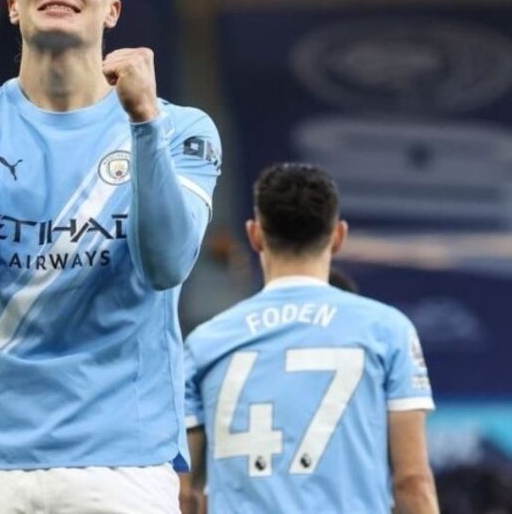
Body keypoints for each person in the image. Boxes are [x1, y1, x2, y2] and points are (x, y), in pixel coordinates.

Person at [0, 0, 221, 513]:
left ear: (112, 10)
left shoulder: (179, 129)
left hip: (124, 461)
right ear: (13, 6)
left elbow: (166, 265)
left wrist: (144, 123)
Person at [181, 163, 438, 514]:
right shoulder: (387, 331)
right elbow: (412, 481)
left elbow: (182, 493)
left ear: (255, 235)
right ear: (339, 236)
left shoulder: (204, 344)